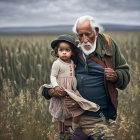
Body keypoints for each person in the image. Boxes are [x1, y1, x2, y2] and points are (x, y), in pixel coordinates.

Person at [41, 15, 130, 139]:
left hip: (99, 120)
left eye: (88, 34)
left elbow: (124, 72)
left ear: (96, 31)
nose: (85, 39)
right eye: (80, 35)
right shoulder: (71, 51)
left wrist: (116, 76)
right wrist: (53, 92)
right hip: (70, 119)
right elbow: (52, 82)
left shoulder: (108, 48)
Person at [42, 34, 99, 140]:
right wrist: (55, 87)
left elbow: (71, 71)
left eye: (67, 50)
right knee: (60, 114)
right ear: (57, 51)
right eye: (61, 50)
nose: (64, 52)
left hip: (72, 90)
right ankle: (61, 133)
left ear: (72, 52)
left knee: (77, 111)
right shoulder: (57, 63)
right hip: (62, 89)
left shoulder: (72, 62)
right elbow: (53, 76)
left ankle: (74, 128)